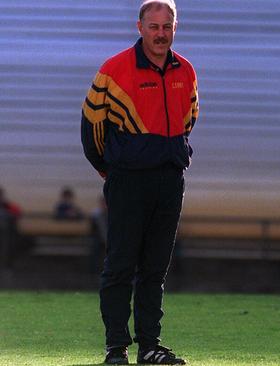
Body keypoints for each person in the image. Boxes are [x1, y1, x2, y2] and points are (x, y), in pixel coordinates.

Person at [80, 0, 198, 364]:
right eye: (153, 26)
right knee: (120, 265)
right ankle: (116, 348)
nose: (160, 34)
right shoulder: (114, 70)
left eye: (167, 26)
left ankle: (150, 346)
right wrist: (112, 168)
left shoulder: (187, 71)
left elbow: (190, 119)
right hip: (128, 181)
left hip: (169, 180)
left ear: (175, 28)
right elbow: (91, 129)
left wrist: (168, 155)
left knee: (155, 268)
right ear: (140, 27)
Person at [89, 195, 108, 273]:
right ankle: (94, 272)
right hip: (99, 239)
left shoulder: (111, 213)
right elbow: (93, 230)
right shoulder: (96, 214)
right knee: (95, 246)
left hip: (109, 239)